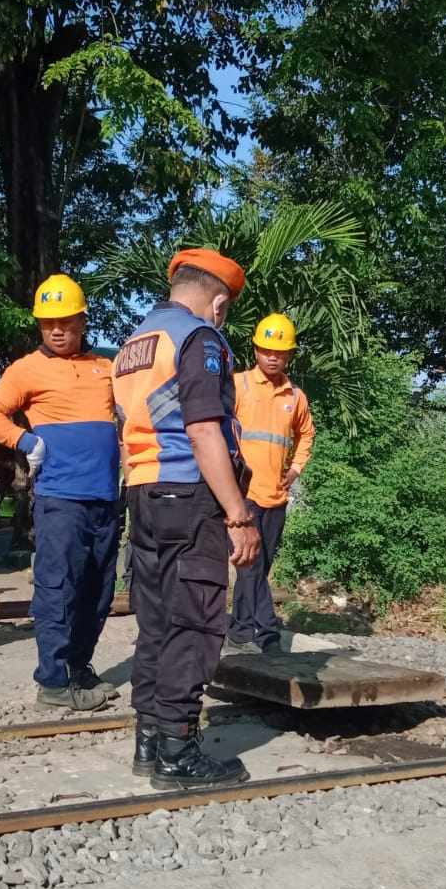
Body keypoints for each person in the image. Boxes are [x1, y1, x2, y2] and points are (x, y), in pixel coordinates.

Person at [113, 247, 262, 790]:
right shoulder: (200, 339)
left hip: (145, 492)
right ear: (218, 302)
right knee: (194, 621)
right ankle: (179, 752)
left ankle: (149, 739)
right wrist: (238, 514)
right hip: (189, 494)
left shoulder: (136, 342)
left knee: (155, 620)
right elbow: (203, 430)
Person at [0, 273, 122, 712]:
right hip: (60, 499)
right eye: (47, 323)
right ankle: (53, 681)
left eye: (65, 321)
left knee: (99, 588)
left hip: (105, 498)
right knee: (58, 587)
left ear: (82, 319)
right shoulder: (26, 369)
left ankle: (79, 668)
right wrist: (27, 441)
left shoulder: (106, 368)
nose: (56, 329)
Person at [225, 313, 315, 654]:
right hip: (243, 496)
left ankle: (239, 629)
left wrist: (295, 470)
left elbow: (306, 434)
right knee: (249, 565)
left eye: (280, 351)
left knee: (259, 568)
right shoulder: (239, 386)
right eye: (266, 350)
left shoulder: (296, 396)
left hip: (276, 498)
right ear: (257, 350)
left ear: (289, 355)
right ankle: (267, 633)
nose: (272, 356)